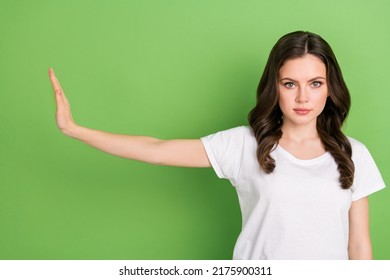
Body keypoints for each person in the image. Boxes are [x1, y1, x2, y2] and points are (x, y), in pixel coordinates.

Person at [49, 31, 385, 260]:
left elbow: (359, 245)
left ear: (330, 88)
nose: (302, 97)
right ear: (275, 87)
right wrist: (75, 130)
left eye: (315, 83)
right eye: (289, 83)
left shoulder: (353, 153)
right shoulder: (244, 144)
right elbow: (157, 150)